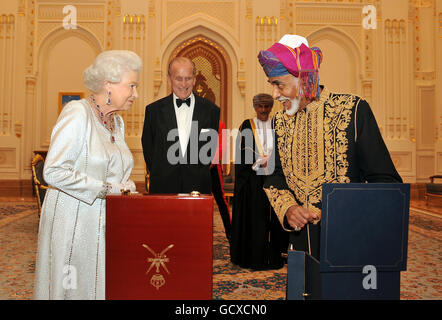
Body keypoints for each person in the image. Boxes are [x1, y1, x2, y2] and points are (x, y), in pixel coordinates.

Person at [258, 34, 402, 260]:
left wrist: (344, 214)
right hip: (299, 245)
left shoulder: (354, 110)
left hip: (349, 244)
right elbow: (274, 176)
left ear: (304, 79)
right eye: (272, 85)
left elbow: (386, 182)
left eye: (279, 84)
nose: (274, 94)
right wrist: (288, 209)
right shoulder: (279, 122)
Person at [33, 50, 142, 299]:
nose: (135, 94)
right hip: (73, 219)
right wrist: (107, 189)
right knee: (73, 285)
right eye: (132, 86)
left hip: (104, 219)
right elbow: (53, 171)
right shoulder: (77, 113)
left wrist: (123, 187)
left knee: (99, 283)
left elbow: (113, 168)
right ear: (108, 85)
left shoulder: (117, 122)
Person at [141, 57, 220, 194]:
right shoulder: (153, 111)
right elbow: (148, 148)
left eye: (188, 78)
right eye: (178, 78)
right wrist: (162, 171)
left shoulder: (211, 110)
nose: (184, 84)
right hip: (163, 187)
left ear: (194, 79)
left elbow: (210, 150)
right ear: (169, 78)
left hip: (198, 187)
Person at [230, 93, 288, 270]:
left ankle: (274, 256)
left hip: (273, 180)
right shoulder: (247, 126)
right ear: (254, 107)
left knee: (272, 221)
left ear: (271, 107)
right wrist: (258, 162)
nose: (263, 110)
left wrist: (271, 160)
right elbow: (241, 155)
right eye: (260, 106)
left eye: (267, 106)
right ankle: (253, 257)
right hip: (253, 183)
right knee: (255, 221)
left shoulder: (278, 125)